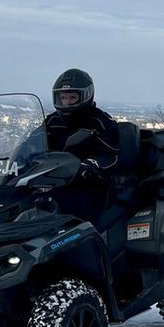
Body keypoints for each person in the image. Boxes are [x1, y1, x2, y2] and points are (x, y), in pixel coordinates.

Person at [39, 68, 122, 225]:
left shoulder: (100, 122)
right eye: (63, 98)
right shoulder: (51, 122)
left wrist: (90, 166)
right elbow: (30, 146)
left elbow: (110, 156)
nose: (67, 102)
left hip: (87, 185)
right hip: (51, 182)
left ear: (85, 95)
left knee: (71, 212)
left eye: (72, 97)